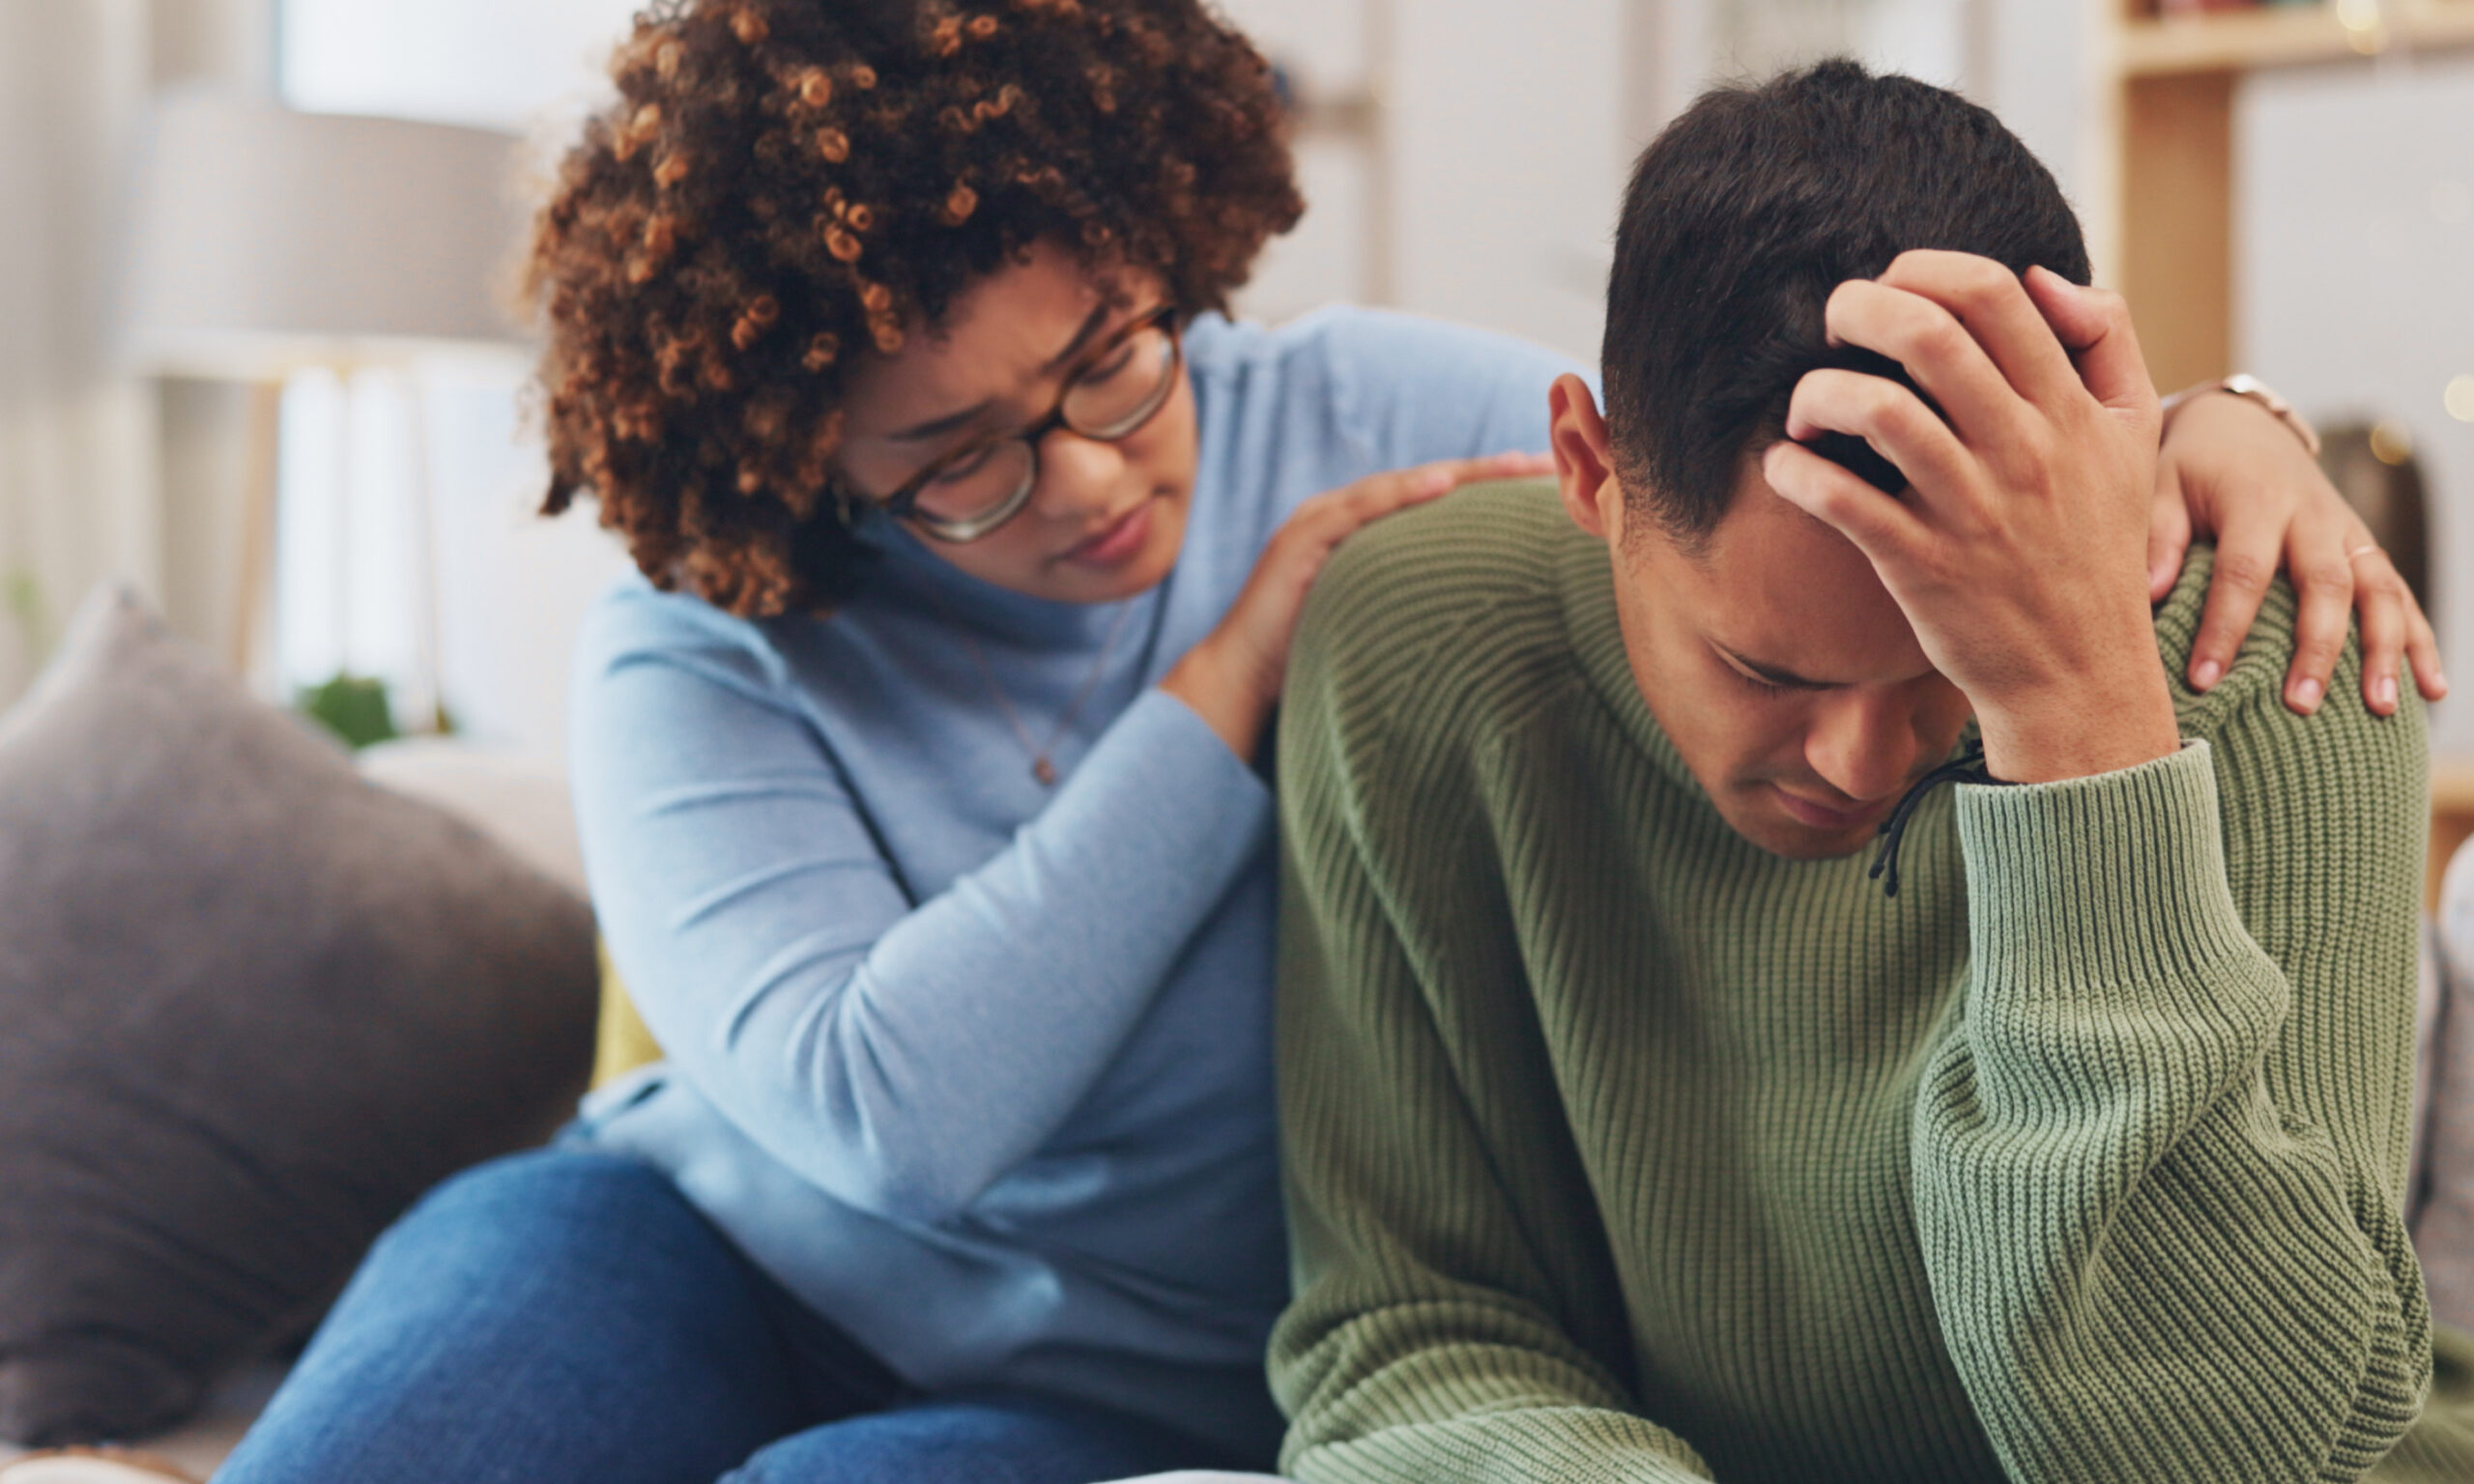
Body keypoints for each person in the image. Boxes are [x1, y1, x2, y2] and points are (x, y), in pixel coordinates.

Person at [209, 4, 2432, 1480]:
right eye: (954, 459)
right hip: (714, 1236)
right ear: (792, 461)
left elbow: (1762, 439)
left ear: (1158, 256)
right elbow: (890, 1127)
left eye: (1107, 362)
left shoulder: (1377, 426)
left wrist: (2201, 432)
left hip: (1129, 1375)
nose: (1084, 478)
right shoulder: (710, 644)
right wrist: (1234, 671)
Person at [1271, 61, 2474, 1484]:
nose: (1858, 762)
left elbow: (2235, 1457)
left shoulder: (2275, 652)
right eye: (1767, 673)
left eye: (1945, 681)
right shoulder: (1424, 643)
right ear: (1589, 470)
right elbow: (1410, 1331)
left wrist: (2077, 723)